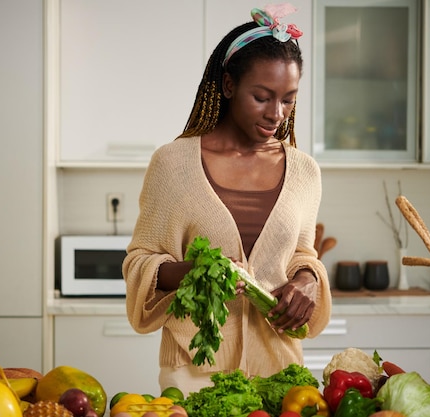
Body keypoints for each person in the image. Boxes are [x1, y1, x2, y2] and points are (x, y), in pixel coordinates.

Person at [122, 3, 332, 395]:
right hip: (193, 372)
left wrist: (308, 280)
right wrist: (199, 271)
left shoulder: (304, 172)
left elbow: (303, 255)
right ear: (229, 84)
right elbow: (141, 261)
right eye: (262, 97)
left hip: (281, 369)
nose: (277, 114)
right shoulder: (173, 164)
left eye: (288, 99)